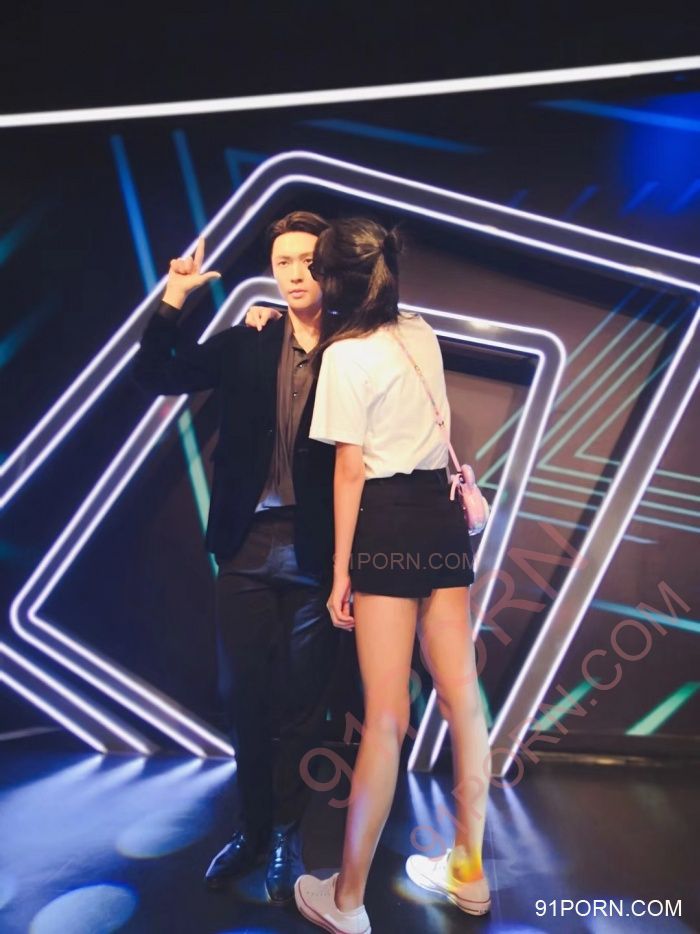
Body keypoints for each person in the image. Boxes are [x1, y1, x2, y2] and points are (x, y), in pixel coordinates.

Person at [287, 218, 492, 932]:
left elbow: (349, 470)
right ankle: (469, 874)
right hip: (438, 517)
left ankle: (346, 900)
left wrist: (341, 569)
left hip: (386, 524)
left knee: (384, 718)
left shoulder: (347, 356)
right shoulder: (420, 331)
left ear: (334, 280)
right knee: (464, 702)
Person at [131, 212, 339, 905]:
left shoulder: (356, 345)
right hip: (246, 543)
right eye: (283, 262)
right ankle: (251, 830)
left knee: (303, 702)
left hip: (319, 549)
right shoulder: (250, 336)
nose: (296, 273)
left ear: (329, 266)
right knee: (241, 695)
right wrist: (176, 297)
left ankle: (285, 834)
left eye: (308, 259)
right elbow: (155, 373)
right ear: (272, 272)